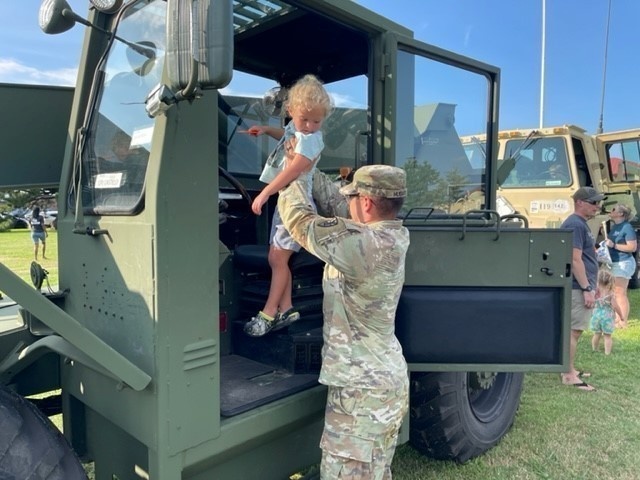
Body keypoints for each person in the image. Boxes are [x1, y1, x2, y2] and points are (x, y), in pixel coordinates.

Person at [278, 164, 410, 479]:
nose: (346, 201)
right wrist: (307, 164)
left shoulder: (362, 244)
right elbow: (340, 208)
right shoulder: (389, 235)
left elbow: (299, 221)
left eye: (353, 196)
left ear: (365, 203)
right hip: (380, 385)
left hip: (362, 396)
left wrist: (290, 175)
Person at [243, 74, 333, 337]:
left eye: (316, 121)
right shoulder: (298, 130)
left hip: (296, 202)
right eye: (304, 119)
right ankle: (287, 307)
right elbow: (287, 134)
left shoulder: (312, 140)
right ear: (291, 111)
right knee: (277, 257)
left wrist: (265, 193)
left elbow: (293, 170)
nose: (309, 126)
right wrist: (266, 129)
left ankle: (269, 313)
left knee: (279, 258)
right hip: (285, 200)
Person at [559, 186, 604, 391]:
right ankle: (568, 375)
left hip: (584, 285)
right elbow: (574, 259)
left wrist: (593, 286)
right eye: (594, 202)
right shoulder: (575, 224)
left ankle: (570, 368)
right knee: (573, 331)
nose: (597, 206)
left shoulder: (581, 224)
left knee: (574, 330)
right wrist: (586, 287)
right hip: (577, 287)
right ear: (580, 202)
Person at [604, 203, 637, 329]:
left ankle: (623, 321)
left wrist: (614, 245)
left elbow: (632, 247)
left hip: (623, 263)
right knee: (613, 292)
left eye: (613, 209)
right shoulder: (615, 226)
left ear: (621, 214)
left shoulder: (627, 227)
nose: (610, 210)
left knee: (620, 292)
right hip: (613, 262)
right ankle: (617, 318)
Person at [590, 268, 623, 355]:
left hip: (596, 316)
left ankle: (594, 349)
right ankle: (607, 353)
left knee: (596, 333)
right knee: (607, 336)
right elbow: (616, 306)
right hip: (607, 317)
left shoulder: (595, 293)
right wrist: (621, 316)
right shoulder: (610, 294)